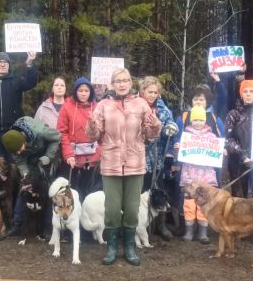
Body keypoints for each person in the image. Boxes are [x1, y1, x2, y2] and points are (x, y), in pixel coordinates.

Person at [86, 68, 161, 266]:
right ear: (112, 84)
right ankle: (111, 247)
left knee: (131, 209)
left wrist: (155, 125)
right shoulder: (103, 105)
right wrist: (92, 127)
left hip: (135, 164)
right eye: (118, 81)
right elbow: (94, 135)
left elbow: (150, 135)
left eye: (125, 80)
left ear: (131, 83)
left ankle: (129, 247)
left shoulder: (141, 104)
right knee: (111, 210)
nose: (122, 84)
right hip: (110, 163)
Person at [0, 116, 61, 240]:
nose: (18, 152)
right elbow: (20, 162)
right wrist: (26, 177)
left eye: (19, 149)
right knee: (23, 188)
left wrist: (47, 158)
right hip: (30, 161)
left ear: (23, 138)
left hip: (47, 158)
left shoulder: (41, 131)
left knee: (48, 191)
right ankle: (16, 226)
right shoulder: (13, 142)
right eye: (15, 152)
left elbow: (57, 138)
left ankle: (48, 228)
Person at [139, 76, 178, 240]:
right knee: (140, 194)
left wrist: (171, 128)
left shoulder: (163, 110)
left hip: (157, 159)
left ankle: (160, 226)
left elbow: (171, 124)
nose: (152, 95)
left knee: (159, 192)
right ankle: (138, 225)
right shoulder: (135, 106)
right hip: (138, 159)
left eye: (155, 92)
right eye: (149, 92)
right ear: (142, 91)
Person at [0, 51, 38, 158]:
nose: (2, 64)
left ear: (9, 65)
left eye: (5, 62)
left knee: (14, 163)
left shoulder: (16, 81)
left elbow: (31, 82)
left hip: (13, 129)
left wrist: (29, 64)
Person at [58, 77, 102, 202]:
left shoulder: (98, 107)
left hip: (93, 157)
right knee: (72, 190)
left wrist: (99, 152)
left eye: (86, 91)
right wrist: (68, 155)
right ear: (75, 91)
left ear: (91, 92)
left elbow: (103, 132)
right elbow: (62, 132)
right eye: (80, 90)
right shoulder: (67, 107)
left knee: (89, 191)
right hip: (73, 157)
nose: (83, 93)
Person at [179, 106, 218, 244]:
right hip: (189, 176)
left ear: (205, 120)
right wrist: (178, 147)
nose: (197, 122)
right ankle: (189, 231)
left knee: (204, 204)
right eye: (194, 119)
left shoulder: (211, 136)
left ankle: (203, 232)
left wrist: (222, 151)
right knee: (189, 204)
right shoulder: (186, 136)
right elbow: (180, 152)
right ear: (191, 120)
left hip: (205, 177)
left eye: (200, 119)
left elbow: (216, 151)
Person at [224, 79, 253, 198]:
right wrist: (243, 156)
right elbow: (228, 139)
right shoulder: (234, 114)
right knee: (239, 198)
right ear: (241, 94)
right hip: (237, 161)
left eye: (251, 91)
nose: (248, 94)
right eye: (245, 91)